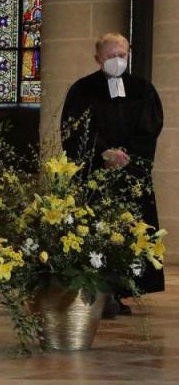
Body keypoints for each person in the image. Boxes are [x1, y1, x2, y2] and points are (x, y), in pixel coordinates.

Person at [60, 32, 164, 318]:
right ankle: (93, 290)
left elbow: (150, 127)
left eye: (122, 55)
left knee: (130, 231)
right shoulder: (82, 90)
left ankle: (120, 291)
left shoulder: (143, 90)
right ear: (98, 58)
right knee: (94, 230)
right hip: (94, 172)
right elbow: (74, 127)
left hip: (131, 173)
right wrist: (103, 152)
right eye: (110, 56)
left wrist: (126, 156)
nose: (117, 60)